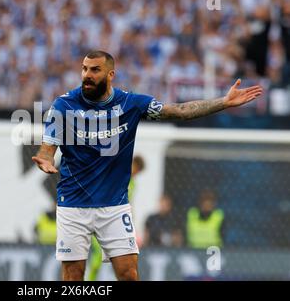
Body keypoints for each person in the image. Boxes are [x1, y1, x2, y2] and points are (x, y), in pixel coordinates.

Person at [32, 50, 262, 281]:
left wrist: (223, 102)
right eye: (84, 69)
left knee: (129, 273)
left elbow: (179, 111)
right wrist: (45, 158)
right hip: (73, 204)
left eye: (94, 70)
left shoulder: (131, 104)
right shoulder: (64, 105)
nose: (87, 75)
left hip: (114, 206)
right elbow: (47, 147)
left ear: (110, 74)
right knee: (73, 275)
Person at [87, 155, 145, 281]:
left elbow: (129, 204)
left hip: (116, 224)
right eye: (136, 168)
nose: (135, 172)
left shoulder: (133, 184)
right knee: (98, 257)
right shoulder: (116, 174)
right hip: (100, 219)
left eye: (138, 171)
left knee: (121, 260)